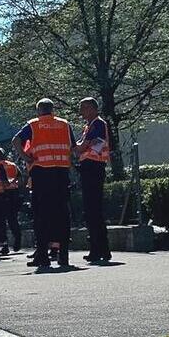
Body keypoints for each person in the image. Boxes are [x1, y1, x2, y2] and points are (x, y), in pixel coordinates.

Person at [12, 98, 75, 270]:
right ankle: (63, 256)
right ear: (52, 110)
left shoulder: (34, 125)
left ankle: (43, 257)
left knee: (41, 215)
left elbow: (16, 140)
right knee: (62, 214)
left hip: (41, 173)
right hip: (61, 172)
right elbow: (73, 147)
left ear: (39, 110)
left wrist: (25, 157)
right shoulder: (64, 124)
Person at [75, 96, 112, 263]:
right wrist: (80, 147)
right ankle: (100, 248)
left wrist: (79, 147)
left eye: (83, 108)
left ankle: (99, 249)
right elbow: (83, 145)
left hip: (93, 167)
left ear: (92, 108)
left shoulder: (97, 124)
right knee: (92, 210)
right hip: (90, 167)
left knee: (93, 210)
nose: (81, 111)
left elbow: (87, 145)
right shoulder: (90, 126)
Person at [0, 153, 23, 255]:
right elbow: (20, 179)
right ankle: (17, 237)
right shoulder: (13, 165)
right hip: (14, 193)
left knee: (1, 220)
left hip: (1, 194)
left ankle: (4, 245)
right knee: (13, 218)